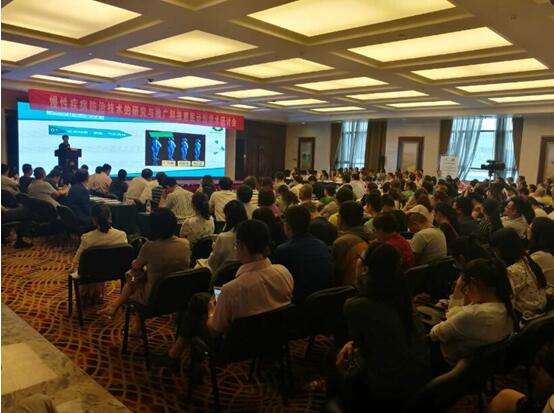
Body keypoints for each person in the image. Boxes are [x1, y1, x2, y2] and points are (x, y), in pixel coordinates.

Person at [164, 219, 294, 362]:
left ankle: (175, 356)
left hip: (235, 344)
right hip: (272, 337)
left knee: (197, 313)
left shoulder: (232, 289)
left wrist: (212, 310)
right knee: (200, 298)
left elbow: (214, 330)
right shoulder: (284, 272)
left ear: (241, 245)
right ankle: (176, 353)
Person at [335, 242, 430, 410]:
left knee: (335, 363)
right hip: (422, 382)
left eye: (359, 258)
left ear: (365, 270)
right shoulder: (402, 297)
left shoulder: (356, 306)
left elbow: (360, 350)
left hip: (388, 393)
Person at [100, 209, 190, 331]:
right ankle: (132, 322)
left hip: (153, 298)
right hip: (178, 295)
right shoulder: (185, 244)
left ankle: (117, 309)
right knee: (138, 276)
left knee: (133, 275)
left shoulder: (150, 247)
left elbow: (136, 265)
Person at [429, 258, 515, 366]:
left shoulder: (474, 315)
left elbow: (434, 334)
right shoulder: (507, 303)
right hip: (484, 366)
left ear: (473, 283)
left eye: (465, 287)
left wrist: (458, 288)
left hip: (449, 365)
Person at [273, 205, 333, 303]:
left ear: (287, 226)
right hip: (326, 302)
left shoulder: (282, 251)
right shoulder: (321, 244)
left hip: (299, 304)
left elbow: (280, 286)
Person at [72, 204, 128, 304]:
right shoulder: (121, 235)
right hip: (115, 272)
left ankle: (87, 295)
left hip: (90, 274)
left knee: (86, 268)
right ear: (110, 217)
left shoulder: (87, 238)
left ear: (93, 219)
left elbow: (77, 260)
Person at [490, 228, 547, 318]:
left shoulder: (512, 271)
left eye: (495, 251)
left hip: (527, 317)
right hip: (542, 311)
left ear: (500, 250)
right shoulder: (527, 261)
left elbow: (508, 303)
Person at [196, 200, 247, 274]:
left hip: (221, 275)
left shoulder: (224, 237)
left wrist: (215, 247)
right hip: (242, 272)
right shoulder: (249, 234)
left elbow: (212, 263)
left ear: (227, 217)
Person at [332, 201, 372, 286]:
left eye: (338, 216)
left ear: (341, 219)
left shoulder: (342, 242)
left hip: (348, 289)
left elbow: (335, 274)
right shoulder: (372, 235)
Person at [528, 217, 554, 288]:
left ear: (537, 233)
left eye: (530, 228)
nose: (527, 230)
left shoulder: (540, 255)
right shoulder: (548, 247)